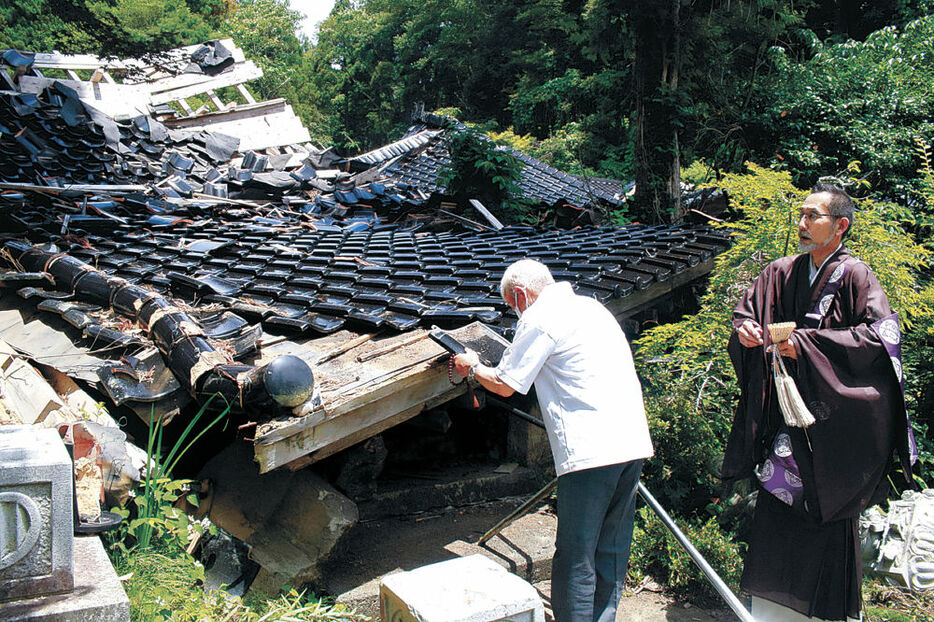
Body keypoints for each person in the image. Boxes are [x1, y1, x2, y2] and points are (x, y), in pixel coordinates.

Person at [723, 184, 916, 622]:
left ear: (840, 226)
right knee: (775, 510)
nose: (803, 224)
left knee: (823, 518)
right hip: (783, 420)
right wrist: (747, 331)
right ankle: (772, 612)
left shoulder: (856, 276)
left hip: (829, 428)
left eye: (814, 216)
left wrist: (807, 346)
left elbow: (881, 339)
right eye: (802, 215)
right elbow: (747, 313)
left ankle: (825, 614)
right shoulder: (780, 271)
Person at [453, 259, 653, 622]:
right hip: (631, 440)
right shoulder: (592, 307)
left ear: (519, 295)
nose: (515, 314)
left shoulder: (539, 317)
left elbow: (505, 384)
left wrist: (472, 366)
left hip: (591, 450)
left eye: (512, 307)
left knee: (576, 552)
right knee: (610, 546)